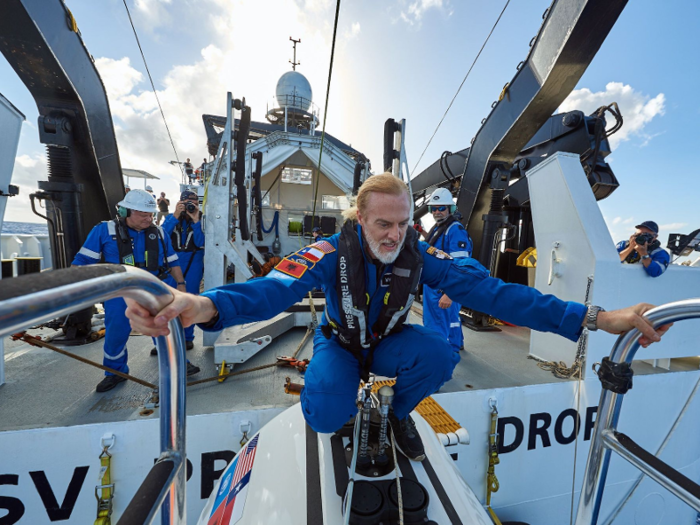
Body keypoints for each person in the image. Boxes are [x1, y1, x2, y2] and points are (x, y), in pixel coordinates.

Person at [124, 173, 670, 461]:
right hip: (339, 345)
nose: (394, 234)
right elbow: (270, 289)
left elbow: (502, 296)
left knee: (439, 352)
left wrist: (599, 319)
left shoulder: (421, 256)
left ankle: (395, 414)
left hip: (389, 344)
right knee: (325, 412)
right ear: (359, 218)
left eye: (403, 223)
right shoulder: (326, 253)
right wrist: (203, 306)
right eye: (383, 223)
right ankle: (346, 416)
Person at [72, 189, 199, 392]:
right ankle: (115, 373)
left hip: (155, 287)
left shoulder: (159, 231)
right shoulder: (103, 230)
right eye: (143, 214)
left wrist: (181, 285)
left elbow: (172, 260)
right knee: (116, 332)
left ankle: (177, 362)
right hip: (120, 291)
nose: (149, 218)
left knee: (165, 326)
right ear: (125, 212)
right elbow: (82, 262)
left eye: (151, 214)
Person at [422, 188, 473, 352]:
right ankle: (455, 344)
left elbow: (461, 264)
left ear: (450, 209)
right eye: (433, 208)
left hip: (443, 289)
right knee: (450, 320)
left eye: (441, 208)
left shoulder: (455, 230)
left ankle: (437, 359)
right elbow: (434, 248)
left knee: (435, 324)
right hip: (437, 286)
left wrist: (450, 293)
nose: (437, 212)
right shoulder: (440, 228)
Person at [159, 190, 204, 351]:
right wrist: (175, 215)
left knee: (189, 300)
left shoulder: (202, 219)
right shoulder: (171, 218)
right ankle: (163, 340)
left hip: (194, 261)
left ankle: (186, 337)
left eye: (195, 203)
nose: (191, 206)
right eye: (187, 203)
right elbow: (161, 236)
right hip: (172, 261)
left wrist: (196, 220)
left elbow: (201, 242)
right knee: (167, 300)